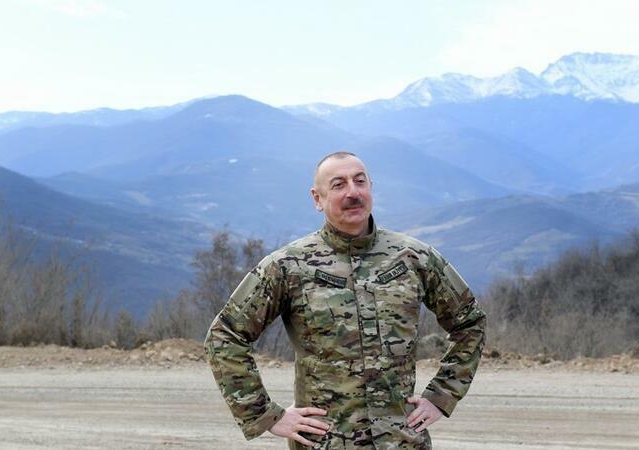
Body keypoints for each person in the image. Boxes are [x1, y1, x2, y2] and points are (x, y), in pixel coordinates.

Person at [205, 152, 486, 449]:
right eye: (338, 185)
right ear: (318, 198)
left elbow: (470, 322)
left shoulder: (414, 257)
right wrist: (266, 415)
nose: (353, 192)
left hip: (403, 441)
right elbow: (225, 335)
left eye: (360, 181)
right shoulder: (289, 265)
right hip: (325, 442)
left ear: (371, 188)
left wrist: (442, 395)